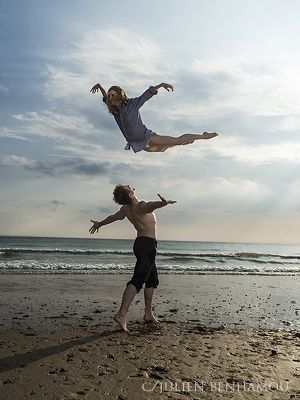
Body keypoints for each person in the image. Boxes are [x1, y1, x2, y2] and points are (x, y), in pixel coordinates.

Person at [89, 184, 176, 332]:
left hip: (140, 244)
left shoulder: (125, 210)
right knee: (137, 280)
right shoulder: (141, 206)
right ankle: (121, 315)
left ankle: (148, 314)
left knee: (152, 280)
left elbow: (113, 217)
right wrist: (162, 203)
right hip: (148, 246)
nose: (131, 186)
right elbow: (150, 206)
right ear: (130, 194)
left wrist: (100, 224)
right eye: (128, 187)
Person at [90, 82, 218, 152]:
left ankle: (203, 136)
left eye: (112, 95)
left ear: (120, 95)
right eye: (109, 96)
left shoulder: (132, 104)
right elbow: (105, 98)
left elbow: (146, 95)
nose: (110, 98)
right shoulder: (114, 110)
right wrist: (101, 87)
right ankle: (185, 142)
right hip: (136, 141)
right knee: (161, 149)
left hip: (146, 136)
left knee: (176, 140)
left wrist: (161, 85)